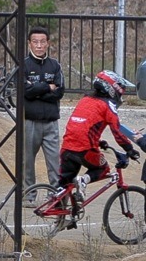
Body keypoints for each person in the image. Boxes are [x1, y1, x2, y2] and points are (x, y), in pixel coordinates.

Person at [59, 70, 140, 210]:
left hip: (67, 147)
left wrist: (99, 141)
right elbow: (117, 131)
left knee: (63, 185)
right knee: (103, 168)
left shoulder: (85, 100)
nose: (122, 92)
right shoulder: (108, 105)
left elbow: (83, 127)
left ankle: (58, 216)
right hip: (85, 149)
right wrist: (130, 149)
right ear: (112, 88)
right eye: (121, 89)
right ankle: (83, 180)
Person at [22, 26, 65, 202]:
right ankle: (28, 195)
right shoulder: (23, 65)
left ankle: (55, 194)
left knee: (54, 160)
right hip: (30, 121)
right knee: (27, 161)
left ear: (48, 43)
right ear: (29, 44)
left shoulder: (55, 65)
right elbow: (25, 91)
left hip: (50, 121)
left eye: (42, 42)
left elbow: (59, 91)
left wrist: (36, 90)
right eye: (35, 42)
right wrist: (47, 86)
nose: (39, 45)